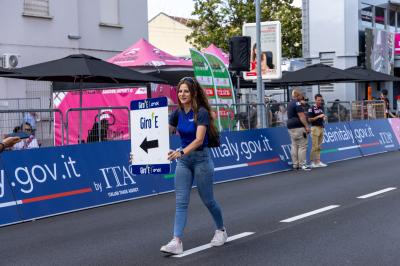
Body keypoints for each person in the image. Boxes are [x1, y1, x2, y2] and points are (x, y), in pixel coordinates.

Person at [160, 77, 227, 255]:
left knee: (208, 200)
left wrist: (181, 152)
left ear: (193, 93)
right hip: (184, 161)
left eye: (186, 91)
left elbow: (198, 140)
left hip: (201, 159)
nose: (182, 94)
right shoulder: (177, 113)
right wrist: (140, 155)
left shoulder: (202, 112)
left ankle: (221, 230)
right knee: (181, 202)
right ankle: (176, 241)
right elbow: (158, 136)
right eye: (180, 91)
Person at [286, 89, 311, 171]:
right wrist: (307, 126)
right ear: (297, 96)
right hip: (298, 126)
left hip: (290, 126)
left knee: (294, 145)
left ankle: (295, 164)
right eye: (301, 95)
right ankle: (302, 164)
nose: (302, 97)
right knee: (302, 146)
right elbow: (302, 116)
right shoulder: (297, 104)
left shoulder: (289, 103)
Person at [308, 94, 328, 168]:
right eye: (318, 100)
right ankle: (312, 162)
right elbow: (309, 119)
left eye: (321, 100)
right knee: (314, 146)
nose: (320, 101)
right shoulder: (311, 108)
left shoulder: (321, 107)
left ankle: (318, 161)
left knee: (319, 146)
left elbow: (322, 116)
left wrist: (324, 118)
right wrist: (318, 116)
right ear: (315, 100)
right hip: (314, 128)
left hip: (321, 127)